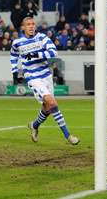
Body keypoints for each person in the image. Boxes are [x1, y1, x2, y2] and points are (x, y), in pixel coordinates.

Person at [10, 17, 79, 145]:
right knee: (52, 102)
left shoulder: (42, 38)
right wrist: (15, 71)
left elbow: (54, 53)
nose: (31, 26)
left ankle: (34, 125)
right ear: (23, 27)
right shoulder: (17, 43)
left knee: (47, 108)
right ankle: (68, 136)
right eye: (28, 24)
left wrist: (37, 55)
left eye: (32, 24)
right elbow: (13, 55)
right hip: (32, 77)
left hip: (46, 75)